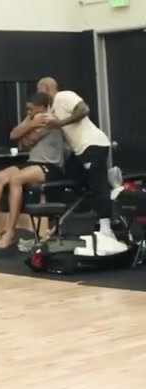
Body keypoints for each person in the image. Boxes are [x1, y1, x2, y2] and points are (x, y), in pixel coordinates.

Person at [35, 77, 127, 257]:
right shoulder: (52, 109)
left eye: (39, 90)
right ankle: (107, 183)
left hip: (93, 145)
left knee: (97, 186)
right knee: (71, 177)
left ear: (46, 88)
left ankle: (106, 228)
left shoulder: (64, 96)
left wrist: (60, 123)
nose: (39, 94)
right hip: (79, 151)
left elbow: (84, 109)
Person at [0, 92, 65, 249]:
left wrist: (26, 129)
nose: (28, 112)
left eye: (31, 109)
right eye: (27, 109)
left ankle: (9, 233)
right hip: (33, 163)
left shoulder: (48, 119)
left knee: (16, 179)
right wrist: (30, 124)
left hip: (51, 166)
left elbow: (28, 139)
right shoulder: (32, 118)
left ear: (42, 107)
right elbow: (14, 135)